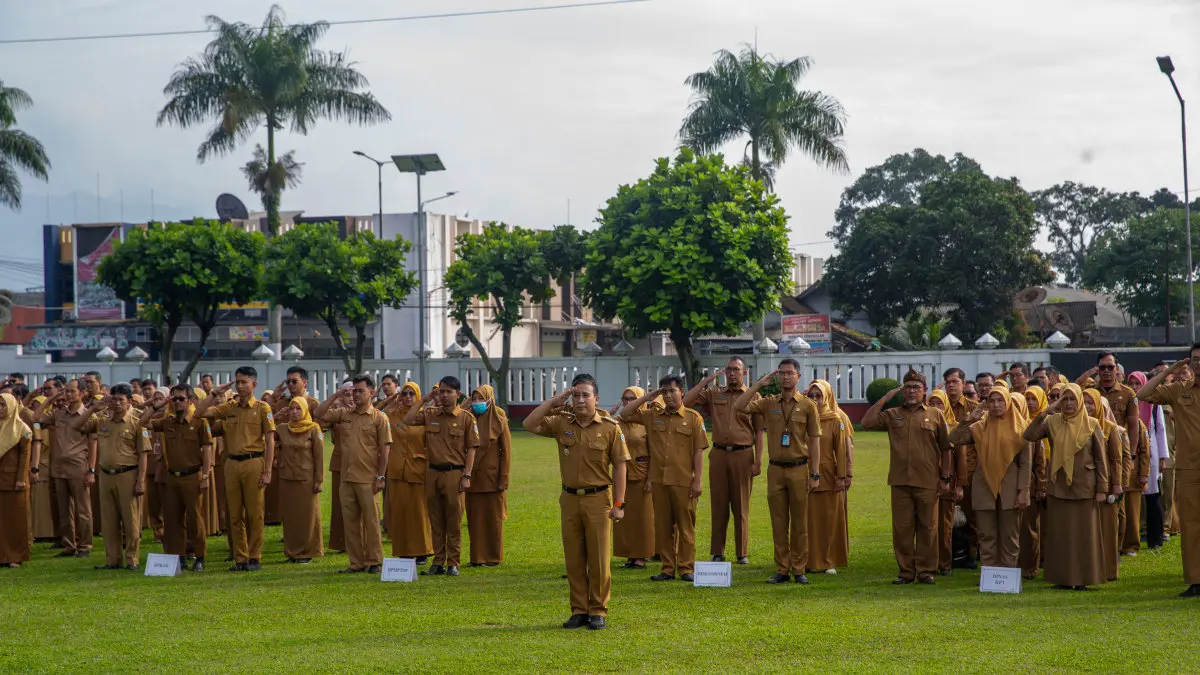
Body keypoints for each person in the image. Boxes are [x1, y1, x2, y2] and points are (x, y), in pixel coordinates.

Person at [525, 373, 629, 631]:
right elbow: (529, 423)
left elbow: (620, 467)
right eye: (576, 395)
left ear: (597, 398)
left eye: (585, 395)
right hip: (570, 499)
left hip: (599, 500)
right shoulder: (562, 422)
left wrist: (619, 504)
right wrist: (554, 402)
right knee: (573, 558)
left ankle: (598, 610)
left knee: (599, 559)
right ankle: (579, 610)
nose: (580, 400)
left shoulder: (609, 427)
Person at [734, 359, 822, 584]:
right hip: (776, 470)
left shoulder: (807, 405)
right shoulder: (768, 402)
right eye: (781, 373)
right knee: (779, 522)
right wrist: (758, 384)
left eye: (790, 373)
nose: (785, 377)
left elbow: (814, 441)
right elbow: (740, 406)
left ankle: (799, 568)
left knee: (800, 523)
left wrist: (814, 474)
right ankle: (782, 569)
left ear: (798, 376)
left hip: (799, 468)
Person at [862, 369, 952, 585]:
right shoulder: (893, 414)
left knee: (928, 528)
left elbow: (947, 448)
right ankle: (905, 572)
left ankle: (926, 571)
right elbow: (866, 422)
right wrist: (886, 397)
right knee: (902, 529)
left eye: (916, 387)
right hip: (900, 481)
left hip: (928, 481)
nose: (912, 391)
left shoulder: (935, 414)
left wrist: (945, 478)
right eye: (908, 387)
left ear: (925, 391)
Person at [621, 375, 708, 583]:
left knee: (686, 527)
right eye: (664, 391)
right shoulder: (652, 416)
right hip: (659, 481)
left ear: (682, 392)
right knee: (663, 527)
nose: (668, 395)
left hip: (684, 481)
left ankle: (686, 568)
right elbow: (625, 413)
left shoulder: (693, 418)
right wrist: (648, 397)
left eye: (672, 391)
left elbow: (698, 451)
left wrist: (698, 480)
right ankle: (668, 568)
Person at [1023, 384, 1108, 590]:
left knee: (1084, 535)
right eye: (1064, 399)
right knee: (1060, 535)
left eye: (1072, 399)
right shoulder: (1052, 422)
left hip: (1085, 487)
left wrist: (1102, 488)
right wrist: (1046, 411)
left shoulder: (1092, 423)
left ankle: (1082, 579)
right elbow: (1029, 435)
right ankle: (1062, 578)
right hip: (1059, 485)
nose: (1069, 404)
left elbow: (1101, 458)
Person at [682, 357, 763, 565]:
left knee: (741, 505)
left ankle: (741, 552)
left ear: (744, 373)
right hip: (718, 454)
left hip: (743, 454)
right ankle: (717, 551)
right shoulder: (714, 393)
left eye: (736, 369)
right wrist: (705, 382)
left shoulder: (752, 396)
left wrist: (759, 460)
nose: (732, 373)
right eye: (729, 369)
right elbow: (686, 402)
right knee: (718, 504)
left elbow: (760, 431)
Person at [196, 366, 276, 572]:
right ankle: (240, 558)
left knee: (255, 513)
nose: (240, 386)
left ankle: (255, 557)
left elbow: (270, 440)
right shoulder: (228, 408)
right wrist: (215, 392)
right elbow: (199, 413)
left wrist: (267, 471)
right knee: (234, 513)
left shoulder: (262, 408)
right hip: (231, 463)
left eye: (244, 382)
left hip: (254, 462)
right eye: (237, 382)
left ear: (254, 384)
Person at [1136, 353, 1200, 597]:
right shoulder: (1178, 390)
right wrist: (1166, 372)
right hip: (1189, 467)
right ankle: (1196, 580)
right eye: (1195, 358)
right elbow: (1142, 395)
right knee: (1192, 526)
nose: (1199, 362)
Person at [403, 375, 479, 577]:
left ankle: (453, 562)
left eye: (448, 392)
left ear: (458, 394)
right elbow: (408, 420)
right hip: (433, 472)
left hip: (454, 473)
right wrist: (424, 399)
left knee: (453, 520)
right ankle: (438, 562)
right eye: (441, 391)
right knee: (435, 520)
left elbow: (472, 448)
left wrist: (467, 475)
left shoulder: (466, 418)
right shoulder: (430, 414)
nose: (444, 395)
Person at [317, 376, 391, 575]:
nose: (356, 394)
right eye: (354, 391)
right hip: (347, 478)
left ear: (372, 393)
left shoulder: (379, 417)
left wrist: (381, 477)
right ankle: (356, 562)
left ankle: (374, 561)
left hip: (368, 478)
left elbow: (385, 451)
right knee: (350, 523)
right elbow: (318, 413)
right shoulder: (344, 414)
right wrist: (337, 395)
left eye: (360, 391)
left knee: (372, 521)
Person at [949, 389, 1032, 568]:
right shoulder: (979, 426)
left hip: (1011, 489)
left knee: (1010, 536)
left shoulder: (1022, 427)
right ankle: (990, 574)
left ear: (1008, 402)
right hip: (984, 487)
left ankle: (1008, 574)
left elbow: (1026, 464)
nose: (995, 405)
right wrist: (969, 419)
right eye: (992, 401)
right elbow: (953, 438)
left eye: (1000, 401)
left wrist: (1023, 491)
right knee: (987, 535)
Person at [139, 384, 214, 571]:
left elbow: (207, 450)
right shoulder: (167, 422)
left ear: (190, 401)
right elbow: (143, 422)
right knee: (173, 519)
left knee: (195, 519)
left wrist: (205, 474)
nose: (177, 402)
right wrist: (157, 406)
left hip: (192, 475)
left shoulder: (199, 422)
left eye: (181, 399)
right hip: (172, 476)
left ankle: (199, 556)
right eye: (174, 399)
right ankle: (178, 557)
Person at [76, 384, 147, 571]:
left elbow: (143, 454)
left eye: (120, 400)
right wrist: (93, 408)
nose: (116, 403)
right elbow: (77, 426)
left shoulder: (137, 421)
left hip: (128, 474)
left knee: (131, 521)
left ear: (129, 401)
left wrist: (140, 481)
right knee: (109, 521)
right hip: (106, 475)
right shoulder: (103, 420)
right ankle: (113, 559)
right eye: (113, 399)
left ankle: (132, 559)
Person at [34, 383, 93, 558]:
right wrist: (50, 399)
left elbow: (93, 443)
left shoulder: (87, 414)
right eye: (66, 391)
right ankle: (68, 545)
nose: (68, 394)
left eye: (72, 391)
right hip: (59, 466)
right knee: (63, 508)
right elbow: (36, 418)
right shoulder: (59, 413)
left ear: (82, 393)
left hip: (78, 466)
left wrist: (91, 469)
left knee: (83, 509)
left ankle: (85, 545)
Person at [379, 381, 432, 561]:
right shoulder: (392, 415)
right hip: (396, 469)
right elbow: (372, 412)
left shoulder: (426, 416)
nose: (408, 397)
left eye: (412, 394)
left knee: (418, 513)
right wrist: (388, 400)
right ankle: (403, 551)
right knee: (399, 512)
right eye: (404, 394)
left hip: (417, 469)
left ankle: (423, 550)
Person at [804, 379, 850, 575]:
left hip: (829, 476)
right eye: (811, 396)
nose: (815, 400)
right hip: (804, 474)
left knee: (830, 520)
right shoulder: (802, 417)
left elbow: (841, 450)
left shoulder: (835, 419)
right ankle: (808, 560)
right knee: (808, 520)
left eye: (819, 396)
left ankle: (829, 560)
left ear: (827, 397)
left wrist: (842, 476)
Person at [266, 367, 321, 528]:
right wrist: (273, 399)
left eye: (294, 381)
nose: (290, 384)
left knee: (308, 505)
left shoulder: (312, 403)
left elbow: (320, 429)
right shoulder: (282, 402)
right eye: (288, 381)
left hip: (306, 459)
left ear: (305, 383)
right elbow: (269, 426)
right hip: (285, 458)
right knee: (288, 502)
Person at [464, 385, 511, 568]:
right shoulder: (468, 418)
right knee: (474, 519)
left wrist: (504, 478)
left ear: (490, 399)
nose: (477, 403)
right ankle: (477, 557)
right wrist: (468, 402)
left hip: (493, 477)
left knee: (494, 519)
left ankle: (493, 557)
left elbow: (506, 452)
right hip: (472, 477)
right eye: (474, 399)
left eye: (481, 399)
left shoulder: (499, 420)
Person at [611, 387, 657, 569]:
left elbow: (655, 452)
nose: (628, 402)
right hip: (621, 475)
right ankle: (629, 555)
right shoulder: (618, 422)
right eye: (625, 398)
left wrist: (651, 478)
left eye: (632, 398)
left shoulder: (647, 421)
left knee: (643, 518)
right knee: (624, 517)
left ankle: (641, 555)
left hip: (642, 474)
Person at [274, 397, 324, 564]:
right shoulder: (281, 429)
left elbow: (319, 456)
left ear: (304, 410)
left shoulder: (313, 428)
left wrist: (319, 480)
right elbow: (263, 433)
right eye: (291, 409)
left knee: (307, 516)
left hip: (306, 479)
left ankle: (307, 552)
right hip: (287, 477)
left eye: (298, 409)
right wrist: (275, 415)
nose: (294, 412)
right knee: (290, 516)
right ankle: (292, 552)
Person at [1082, 389, 1124, 582]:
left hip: (1106, 486)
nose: (1087, 406)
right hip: (1086, 484)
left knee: (1107, 529)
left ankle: (1108, 571)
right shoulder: (1079, 425)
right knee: (1089, 529)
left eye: (1091, 403)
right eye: (1084, 402)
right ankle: (1090, 569)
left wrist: (1116, 485)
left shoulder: (1109, 427)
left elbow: (1116, 459)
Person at [1129, 371, 1169, 550]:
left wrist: (1162, 457)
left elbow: (1160, 430)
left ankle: (1155, 538)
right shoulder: (1128, 403)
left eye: (1138, 384)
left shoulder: (1153, 404)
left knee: (1153, 496)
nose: (1135, 388)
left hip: (1151, 453)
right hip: (1130, 452)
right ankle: (1131, 537)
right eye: (1132, 384)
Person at [927, 388, 963, 576]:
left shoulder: (955, 427)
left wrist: (959, 484)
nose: (935, 407)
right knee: (927, 525)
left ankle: (945, 563)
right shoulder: (924, 424)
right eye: (931, 403)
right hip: (927, 482)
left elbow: (961, 460)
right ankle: (928, 562)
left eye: (939, 403)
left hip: (948, 483)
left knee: (945, 526)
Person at [1019, 385, 1050, 580]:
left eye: (1034, 399)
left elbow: (1039, 462)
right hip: (1027, 484)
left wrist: (1041, 485)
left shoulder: (1048, 423)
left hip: (1042, 481)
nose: (1030, 403)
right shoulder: (1022, 426)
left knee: (1036, 527)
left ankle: (1036, 563)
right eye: (1026, 399)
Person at [0, 393, 33, 568]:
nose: (0, 408)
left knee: (15, 520)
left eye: (3, 405)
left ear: (12, 406)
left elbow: (25, 457)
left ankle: (15, 556)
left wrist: (21, 479)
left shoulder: (22, 429)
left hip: (14, 481)